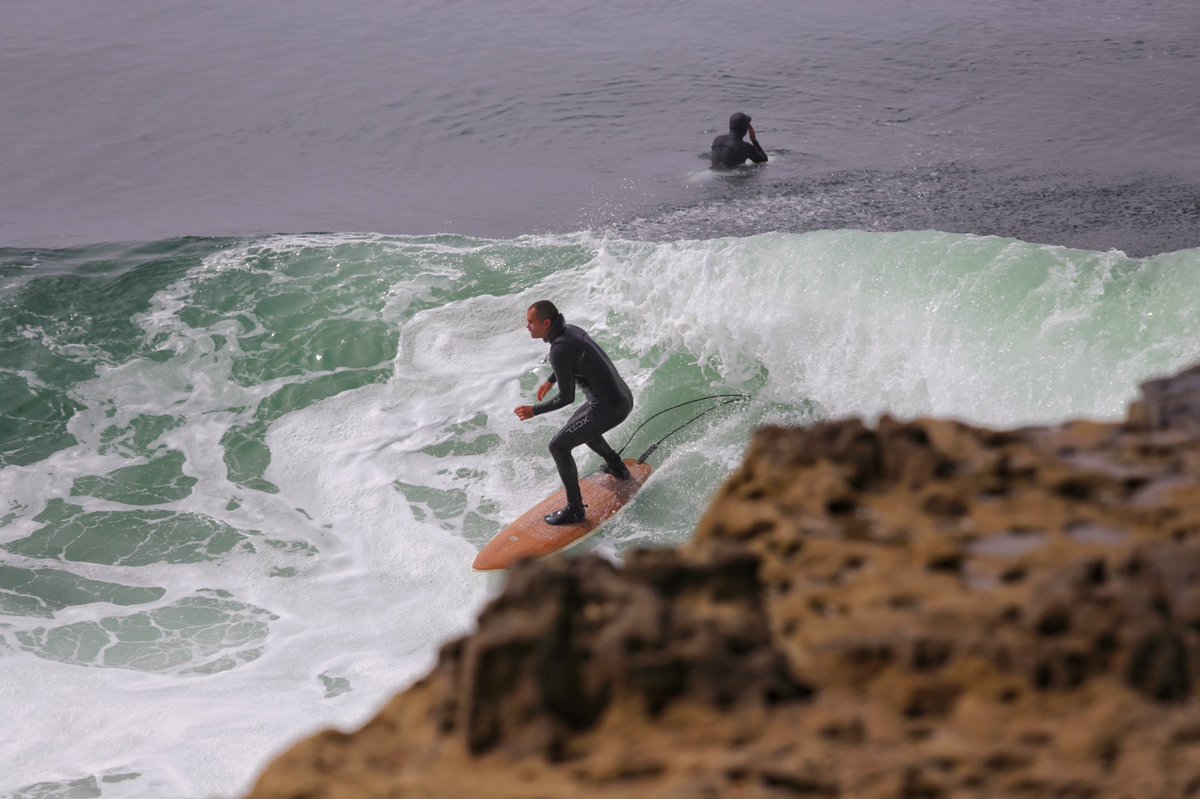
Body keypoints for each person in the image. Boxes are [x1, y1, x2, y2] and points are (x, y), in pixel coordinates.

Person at [514, 300, 634, 525]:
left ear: (546, 323)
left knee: (558, 446)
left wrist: (534, 411)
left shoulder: (558, 350)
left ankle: (575, 510)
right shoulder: (570, 330)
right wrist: (551, 380)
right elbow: (569, 359)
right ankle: (617, 467)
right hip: (619, 397)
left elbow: (566, 397)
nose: (527, 326)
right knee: (578, 427)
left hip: (609, 406)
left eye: (530, 322)